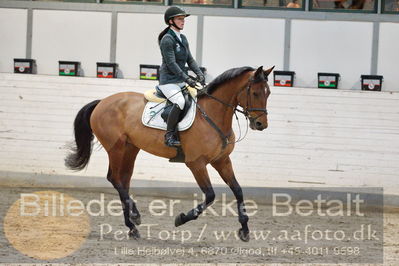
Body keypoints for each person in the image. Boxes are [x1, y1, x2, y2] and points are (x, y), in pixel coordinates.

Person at [158, 6, 205, 147]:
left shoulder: (182, 38)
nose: (183, 21)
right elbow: (171, 63)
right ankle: (169, 135)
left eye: (183, 19)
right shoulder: (167, 39)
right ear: (171, 21)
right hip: (168, 82)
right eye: (180, 19)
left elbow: (189, 60)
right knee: (180, 101)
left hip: (179, 81)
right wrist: (187, 78)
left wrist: (199, 73)